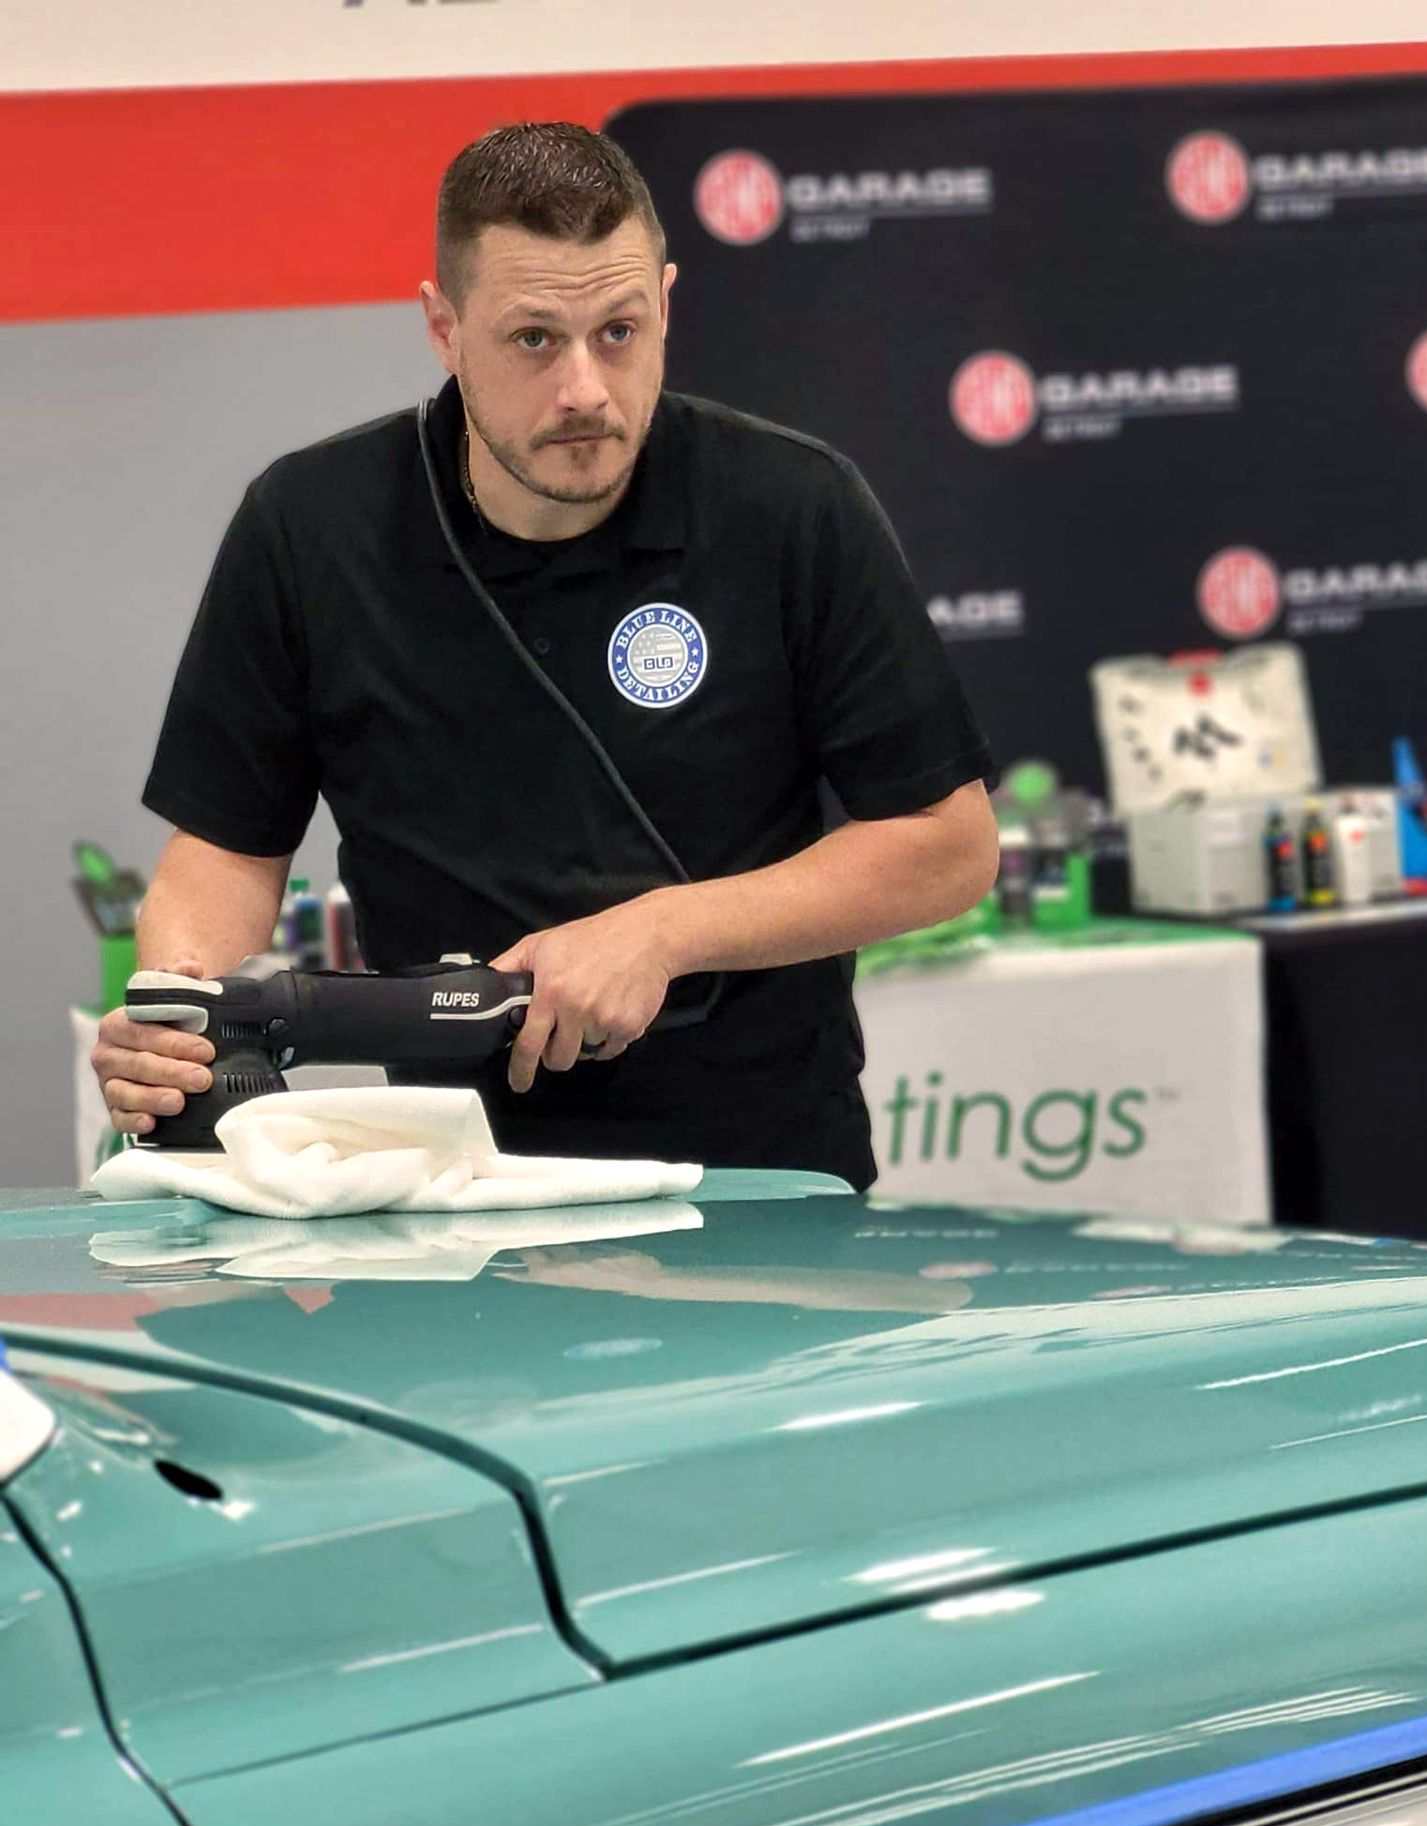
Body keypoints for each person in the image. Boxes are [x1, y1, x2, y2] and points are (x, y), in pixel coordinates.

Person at [91, 122, 998, 1189]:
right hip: (442, 1179)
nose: (585, 390)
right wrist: (182, 999)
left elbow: (949, 844)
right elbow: (229, 848)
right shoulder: (311, 527)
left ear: (667, 302)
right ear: (443, 327)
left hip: (757, 1173)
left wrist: (663, 932)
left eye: (620, 331)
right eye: (533, 340)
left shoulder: (791, 508)